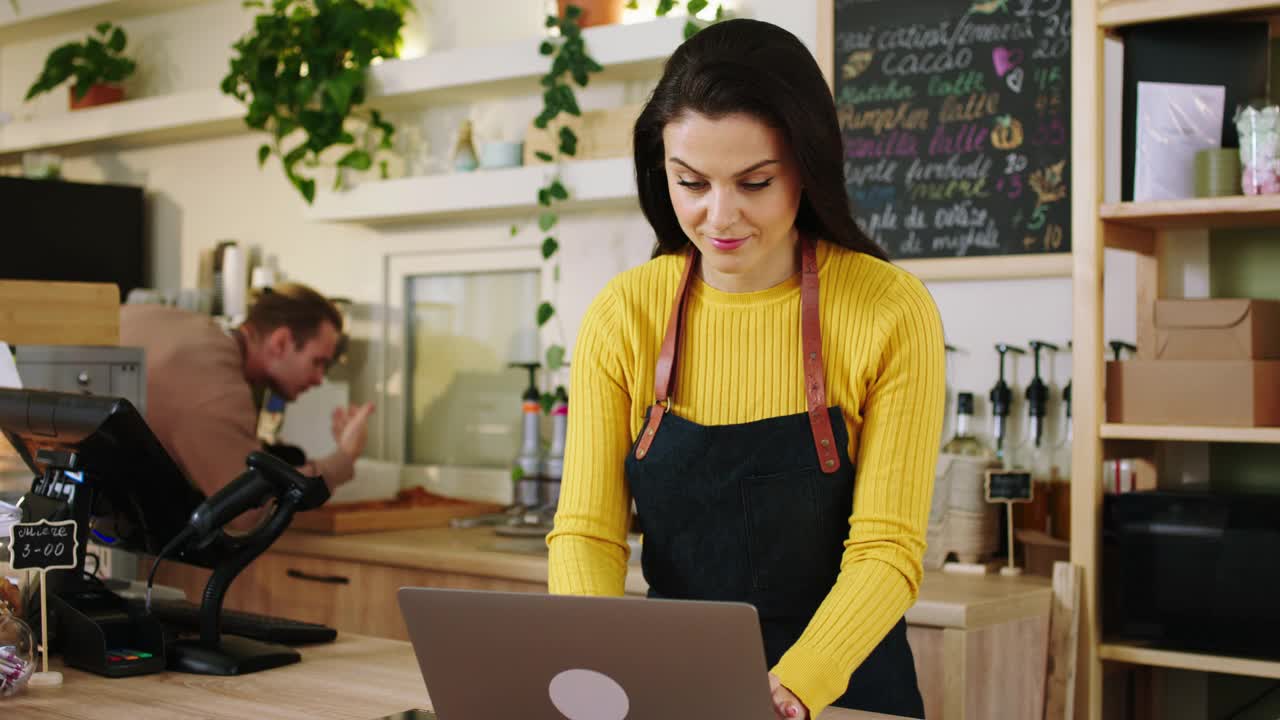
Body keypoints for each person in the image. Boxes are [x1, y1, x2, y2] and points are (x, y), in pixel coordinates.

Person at [546, 18, 944, 720]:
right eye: (691, 183)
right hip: (675, 688)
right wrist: (595, 662)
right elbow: (588, 533)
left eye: (754, 182)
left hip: (847, 691)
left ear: (808, 168)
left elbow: (888, 549)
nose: (719, 216)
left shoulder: (889, 309)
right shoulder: (623, 316)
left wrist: (796, 685)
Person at [120, 283, 374, 527]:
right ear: (280, 342)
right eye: (317, 362)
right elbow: (247, 511)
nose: (319, 379)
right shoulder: (218, 383)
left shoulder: (183, 324)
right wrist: (345, 457)